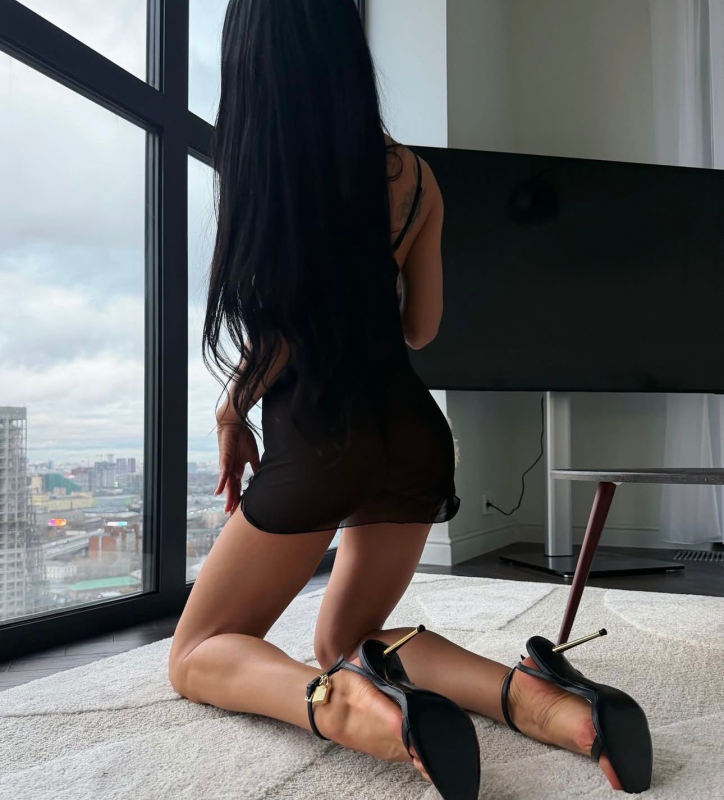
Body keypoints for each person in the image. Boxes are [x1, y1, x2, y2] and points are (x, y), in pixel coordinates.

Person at [168, 0, 651, 794]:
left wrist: (230, 410)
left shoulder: (274, 166)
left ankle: (340, 708)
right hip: (414, 435)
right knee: (350, 637)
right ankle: (546, 702)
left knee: (194, 652)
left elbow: (285, 331)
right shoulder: (414, 176)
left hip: (324, 438)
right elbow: (421, 328)